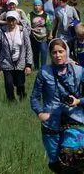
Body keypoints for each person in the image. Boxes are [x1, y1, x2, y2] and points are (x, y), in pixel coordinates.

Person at [30, 38, 84, 172]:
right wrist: (40, 112)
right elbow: (34, 97)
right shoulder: (44, 72)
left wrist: (78, 101)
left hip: (74, 119)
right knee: (55, 163)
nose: (58, 55)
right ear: (50, 54)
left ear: (67, 52)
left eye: (61, 51)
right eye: (54, 52)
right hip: (51, 123)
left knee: (71, 157)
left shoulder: (79, 71)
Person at [0, 10, 34, 102]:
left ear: (17, 20)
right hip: (6, 62)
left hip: (20, 62)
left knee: (19, 83)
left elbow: (28, 48)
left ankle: (22, 95)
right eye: (9, 20)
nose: (11, 23)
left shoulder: (22, 30)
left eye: (13, 20)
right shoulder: (1, 31)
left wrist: (28, 65)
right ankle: (11, 101)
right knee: (8, 84)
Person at [31, 0, 54, 70]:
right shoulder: (30, 14)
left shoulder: (45, 15)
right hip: (33, 37)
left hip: (43, 37)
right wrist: (32, 30)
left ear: (41, 6)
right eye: (35, 5)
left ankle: (43, 67)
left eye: (38, 5)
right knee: (35, 52)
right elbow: (27, 25)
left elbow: (49, 26)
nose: (37, 7)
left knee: (44, 51)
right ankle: (36, 67)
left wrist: (50, 35)